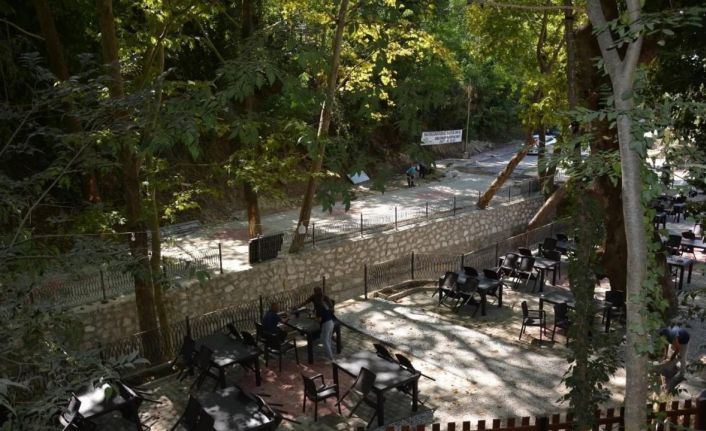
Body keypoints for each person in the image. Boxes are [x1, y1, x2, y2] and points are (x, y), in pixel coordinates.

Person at [298, 287, 336, 360]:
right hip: (330, 322)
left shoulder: (320, 308)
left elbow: (319, 319)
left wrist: (313, 318)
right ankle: (329, 354)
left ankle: (331, 358)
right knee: (326, 339)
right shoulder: (324, 305)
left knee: (325, 340)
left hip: (326, 324)